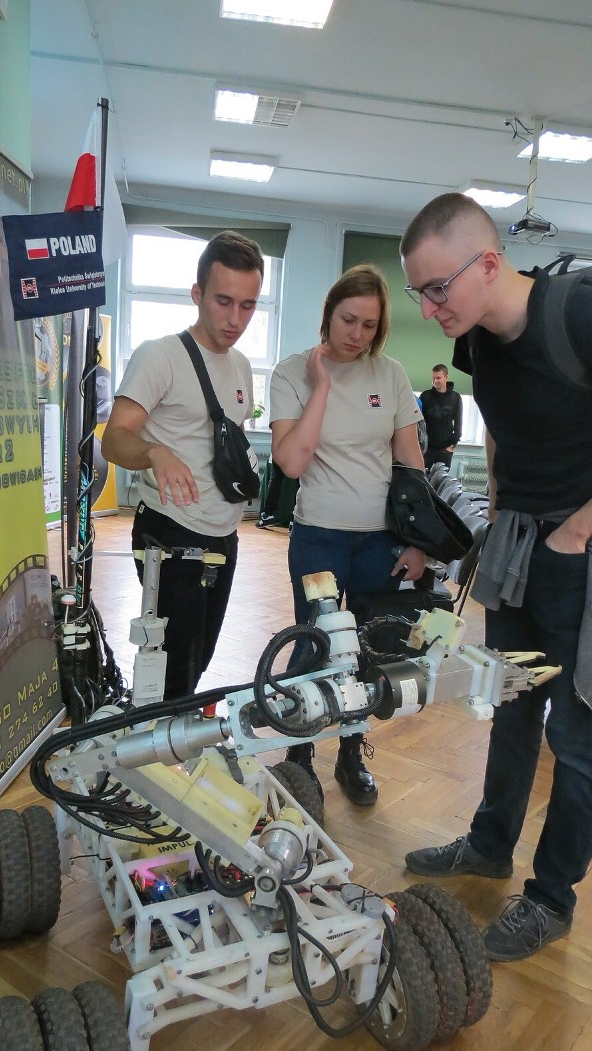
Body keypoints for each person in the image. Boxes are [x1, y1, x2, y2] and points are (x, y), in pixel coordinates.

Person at [400, 193, 592, 961]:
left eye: (437, 289)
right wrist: (500, 511)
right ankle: (491, 845)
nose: (429, 309)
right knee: (512, 705)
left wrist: (581, 525)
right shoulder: (476, 339)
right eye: (417, 293)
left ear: (489, 263)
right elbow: (501, 424)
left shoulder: (589, 317)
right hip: (524, 540)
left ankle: (551, 898)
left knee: (579, 727)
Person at [269, 264, 427, 806]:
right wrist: (322, 387)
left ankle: (351, 754)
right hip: (318, 538)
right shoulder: (293, 372)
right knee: (313, 646)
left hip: (379, 542)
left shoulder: (393, 375)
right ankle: (299, 754)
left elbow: (411, 462)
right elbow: (290, 462)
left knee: (369, 650)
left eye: (368, 325)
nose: (355, 333)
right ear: (328, 314)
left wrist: (419, 541)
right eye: (347, 319)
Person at [101, 231, 264, 699]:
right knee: (173, 665)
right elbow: (115, 439)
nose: (236, 319)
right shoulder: (160, 355)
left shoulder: (241, 366)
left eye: (248, 305)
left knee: (198, 659)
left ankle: (168, 746)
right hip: (170, 531)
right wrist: (154, 452)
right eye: (224, 301)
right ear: (197, 294)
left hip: (224, 532)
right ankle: (152, 757)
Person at [420, 363, 462, 469]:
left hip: (445, 449)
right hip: (427, 448)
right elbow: (419, 421)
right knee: (424, 479)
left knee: (441, 481)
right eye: (433, 378)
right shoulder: (425, 396)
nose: (435, 381)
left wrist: (453, 444)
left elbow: (458, 421)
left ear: (446, 377)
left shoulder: (455, 397)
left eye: (438, 378)